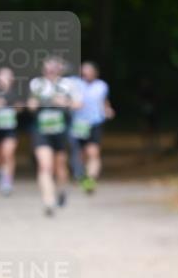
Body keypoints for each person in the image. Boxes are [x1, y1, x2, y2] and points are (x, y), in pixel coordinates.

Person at [28, 57, 81, 216]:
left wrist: (65, 103)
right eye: (47, 69)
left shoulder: (68, 84)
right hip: (41, 130)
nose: (50, 72)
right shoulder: (37, 84)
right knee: (45, 166)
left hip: (61, 130)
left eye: (53, 69)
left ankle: (62, 190)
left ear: (60, 70)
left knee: (60, 168)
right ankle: (48, 201)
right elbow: (30, 105)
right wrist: (34, 105)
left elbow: (78, 104)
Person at [68, 61, 115, 192]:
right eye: (84, 71)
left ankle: (90, 179)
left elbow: (104, 101)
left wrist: (107, 109)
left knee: (93, 152)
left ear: (95, 72)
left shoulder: (102, 86)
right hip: (79, 124)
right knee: (81, 154)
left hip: (95, 122)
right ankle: (82, 174)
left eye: (88, 71)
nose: (86, 73)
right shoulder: (75, 83)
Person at [0, 67, 23, 195]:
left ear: (11, 80)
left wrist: (14, 106)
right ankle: (0, 171)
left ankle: (8, 181)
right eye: (1, 77)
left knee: (7, 153)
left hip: (10, 129)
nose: (3, 80)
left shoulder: (15, 93)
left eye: (6, 77)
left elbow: (21, 108)